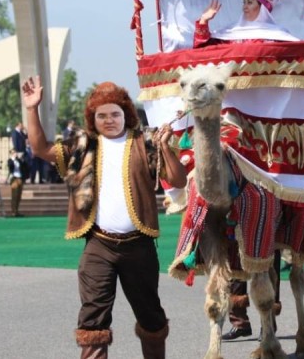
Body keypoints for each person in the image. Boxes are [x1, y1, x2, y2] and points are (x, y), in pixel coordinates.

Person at [22, 75, 187, 359]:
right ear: (93, 118)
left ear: (126, 115)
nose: (109, 120)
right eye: (102, 115)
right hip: (99, 246)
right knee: (92, 320)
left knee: (151, 317)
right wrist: (31, 108)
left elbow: (179, 180)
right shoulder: (83, 146)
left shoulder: (145, 142)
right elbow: (39, 148)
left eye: (115, 114)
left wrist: (163, 146)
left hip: (139, 246)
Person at [193, 0, 298, 48]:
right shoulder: (230, 33)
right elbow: (203, 50)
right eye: (244, 2)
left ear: (262, 7)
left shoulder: (279, 36)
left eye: (250, 2)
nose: (245, 7)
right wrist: (204, 20)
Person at [7, 148, 29, 217]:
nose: (15, 154)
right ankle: (13, 211)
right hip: (14, 178)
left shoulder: (18, 160)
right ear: (11, 153)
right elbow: (11, 166)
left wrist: (20, 159)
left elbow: (24, 166)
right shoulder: (10, 160)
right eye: (13, 152)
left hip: (20, 178)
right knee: (14, 195)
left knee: (19, 196)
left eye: (15, 152)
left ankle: (17, 210)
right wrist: (13, 159)